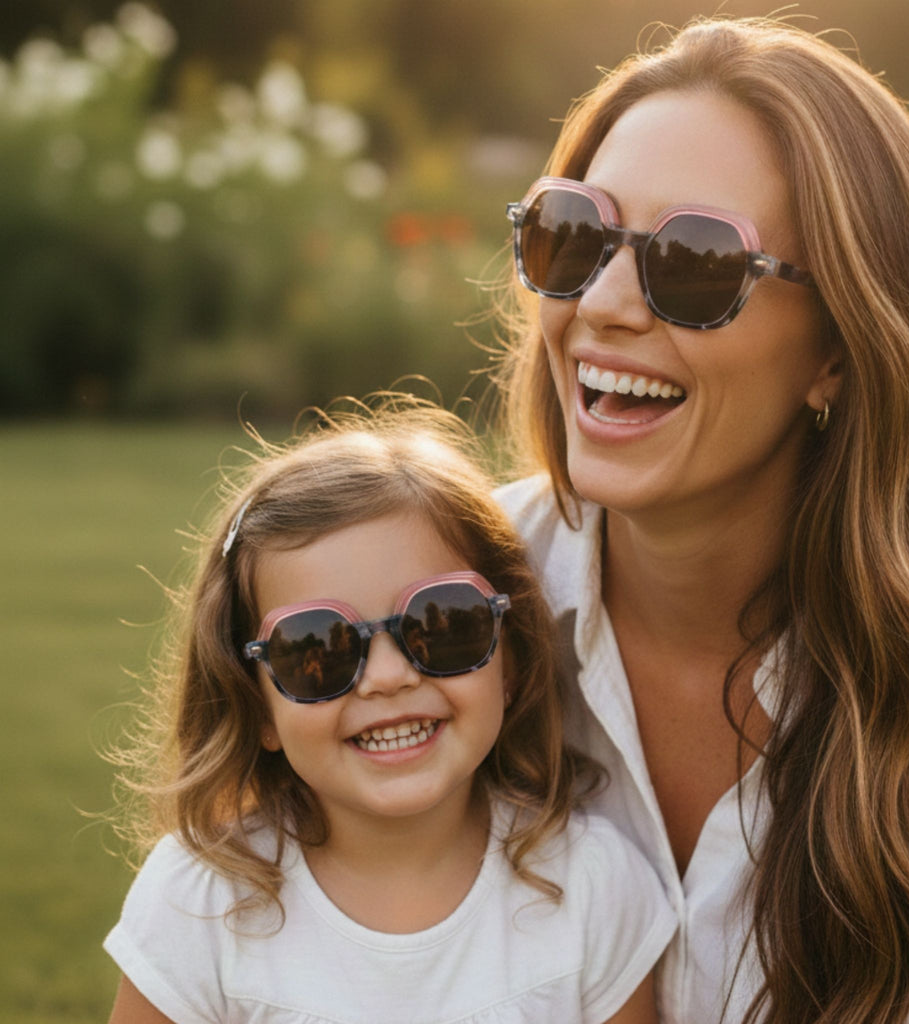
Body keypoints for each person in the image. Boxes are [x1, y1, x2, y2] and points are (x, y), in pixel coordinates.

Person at [494, 14, 909, 1024]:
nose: (603, 302)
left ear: (839, 350)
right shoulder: (431, 607)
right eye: (574, 234)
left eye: (694, 260)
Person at [102, 405, 676, 1024]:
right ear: (255, 703)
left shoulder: (594, 886)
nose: (388, 676)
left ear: (510, 657)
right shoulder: (198, 903)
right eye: (317, 648)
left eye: (442, 623)